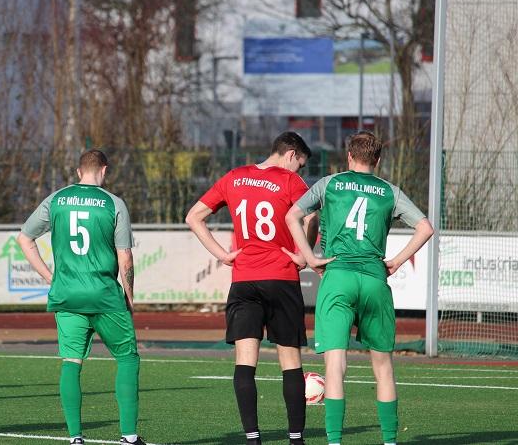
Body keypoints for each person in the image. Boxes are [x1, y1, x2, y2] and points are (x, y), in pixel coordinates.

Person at [284, 131, 434, 445]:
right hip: (374, 279)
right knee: (383, 366)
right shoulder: (390, 191)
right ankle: (389, 441)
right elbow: (425, 228)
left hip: (338, 276)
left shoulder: (329, 184)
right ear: (377, 159)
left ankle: (335, 442)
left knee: (335, 364)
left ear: (349, 156)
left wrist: (310, 258)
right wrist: (396, 261)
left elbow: (292, 216)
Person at [186, 131, 317, 445]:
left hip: (244, 280)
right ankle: (296, 440)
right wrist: (304, 255)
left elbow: (194, 217)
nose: (299, 170)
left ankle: (253, 439)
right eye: (300, 164)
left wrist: (223, 255)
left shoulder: (234, 177)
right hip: (281, 278)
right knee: (290, 362)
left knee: (245, 363)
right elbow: (312, 217)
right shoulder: (290, 181)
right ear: (291, 154)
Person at [17, 149, 145, 445]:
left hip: (67, 295)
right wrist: (130, 297)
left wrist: (50, 278)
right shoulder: (114, 203)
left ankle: (75, 437)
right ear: (104, 170)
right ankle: (128, 436)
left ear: (78, 172)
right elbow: (125, 257)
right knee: (127, 359)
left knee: (71, 361)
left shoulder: (56, 199)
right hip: (104, 295)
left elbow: (24, 238)